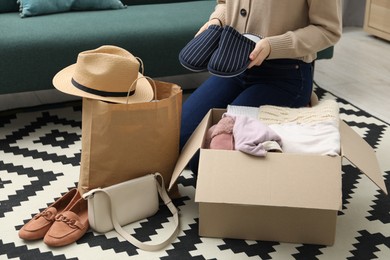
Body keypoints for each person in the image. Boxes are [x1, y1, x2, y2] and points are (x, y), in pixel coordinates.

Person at [180, 0, 342, 173]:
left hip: (284, 76)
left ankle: (296, 112)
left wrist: (273, 46)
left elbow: (328, 29)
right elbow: (224, 3)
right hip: (233, 65)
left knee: (208, 160)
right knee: (179, 139)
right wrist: (217, 20)